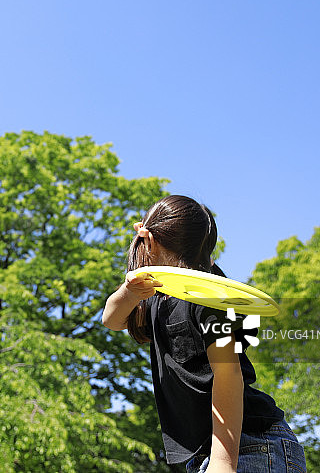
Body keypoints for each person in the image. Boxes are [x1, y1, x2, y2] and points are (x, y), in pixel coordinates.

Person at [102, 195, 306, 473]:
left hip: (248, 448)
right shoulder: (157, 296)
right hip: (211, 454)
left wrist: (223, 463)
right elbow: (112, 319)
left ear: (147, 240)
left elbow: (228, 374)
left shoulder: (212, 297)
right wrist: (129, 292)